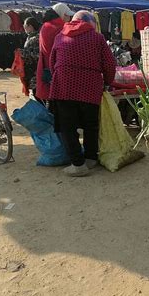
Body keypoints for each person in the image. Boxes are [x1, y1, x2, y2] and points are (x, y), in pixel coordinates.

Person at [49, 10, 116, 177]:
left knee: (67, 126)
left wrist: (60, 76)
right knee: (90, 124)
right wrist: (107, 82)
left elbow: (52, 63)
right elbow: (109, 64)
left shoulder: (60, 35)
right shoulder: (98, 38)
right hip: (90, 87)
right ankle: (90, 159)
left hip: (64, 86)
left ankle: (77, 164)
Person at [35, 3, 74, 102]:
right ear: (61, 14)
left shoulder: (46, 26)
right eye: (67, 15)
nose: (69, 18)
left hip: (46, 67)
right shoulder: (59, 27)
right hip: (57, 69)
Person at [22, 17, 41, 99]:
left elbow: (38, 54)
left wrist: (24, 53)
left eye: (25, 25)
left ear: (30, 26)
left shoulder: (36, 38)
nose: (24, 27)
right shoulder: (30, 37)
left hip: (35, 70)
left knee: (37, 93)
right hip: (31, 70)